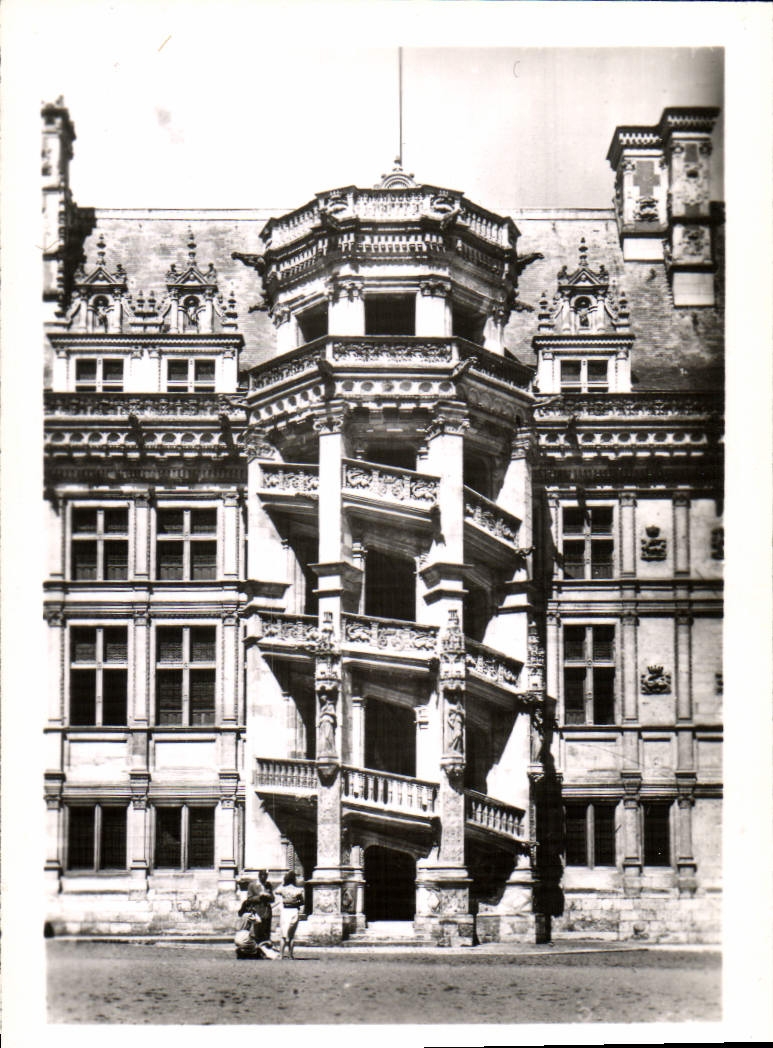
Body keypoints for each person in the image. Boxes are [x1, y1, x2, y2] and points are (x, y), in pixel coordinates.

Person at [274, 871, 304, 960]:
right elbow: (302, 901)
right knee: (291, 935)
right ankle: (291, 955)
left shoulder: (283, 889)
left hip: (285, 911)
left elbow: (276, 891)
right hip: (294, 910)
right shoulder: (298, 890)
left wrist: (283, 883)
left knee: (283, 934)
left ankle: (281, 954)